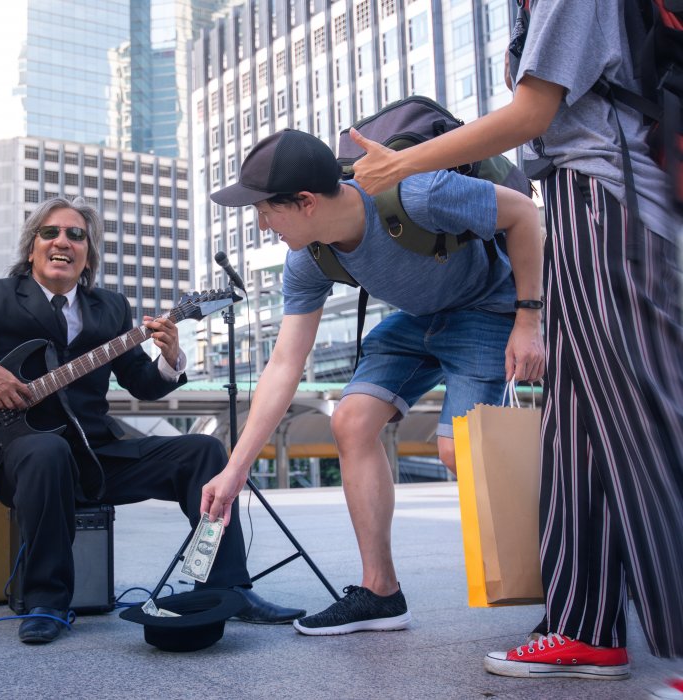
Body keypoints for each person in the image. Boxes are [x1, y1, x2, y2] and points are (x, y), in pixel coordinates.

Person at [349, 0, 683, 684]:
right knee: (577, 433)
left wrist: (399, 168)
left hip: (610, 201)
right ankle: (584, 627)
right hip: (579, 199)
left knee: (644, 419)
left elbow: (531, 114)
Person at [0, 195, 304, 645]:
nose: (63, 242)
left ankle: (227, 587)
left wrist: (170, 358)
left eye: (76, 235)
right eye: (50, 232)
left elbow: (143, 384)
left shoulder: (110, 309)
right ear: (31, 247)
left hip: (99, 457)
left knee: (204, 451)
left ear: (88, 254)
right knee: (46, 450)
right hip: (23, 460)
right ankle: (46, 601)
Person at [200, 128, 545, 637]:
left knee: (460, 450)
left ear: (307, 202)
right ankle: (381, 593)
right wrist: (235, 470)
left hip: (485, 309)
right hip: (417, 321)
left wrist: (528, 320)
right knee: (352, 420)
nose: (261, 224)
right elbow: (284, 365)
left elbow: (524, 214)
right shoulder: (309, 259)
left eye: (266, 211)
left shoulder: (416, 193)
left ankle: (579, 575)